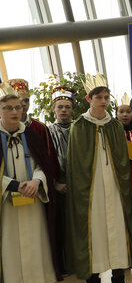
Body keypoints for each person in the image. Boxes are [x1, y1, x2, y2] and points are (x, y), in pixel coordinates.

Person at [65, 74, 132, 283]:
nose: (104, 101)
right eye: (99, 97)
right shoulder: (79, 127)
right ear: (89, 98)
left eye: (106, 97)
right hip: (91, 190)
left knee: (117, 229)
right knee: (93, 231)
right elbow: (75, 164)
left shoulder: (115, 126)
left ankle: (119, 279)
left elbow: (123, 161)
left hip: (115, 188)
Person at [0, 84, 58, 283]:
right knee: (8, 250)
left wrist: (36, 181)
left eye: (17, 107)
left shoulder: (32, 134)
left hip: (33, 199)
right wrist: (12, 185)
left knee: (37, 245)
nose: (14, 111)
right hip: (5, 207)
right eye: (8, 108)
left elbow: (45, 164)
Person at [48, 85, 75, 272]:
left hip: (78, 182)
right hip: (56, 182)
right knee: (59, 225)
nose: (64, 110)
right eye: (60, 107)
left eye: (67, 106)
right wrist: (55, 183)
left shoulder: (79, 128)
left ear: (73, 109)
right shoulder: (46, 130)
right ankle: (62, 265)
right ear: (53, 110)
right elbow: (44, 159)